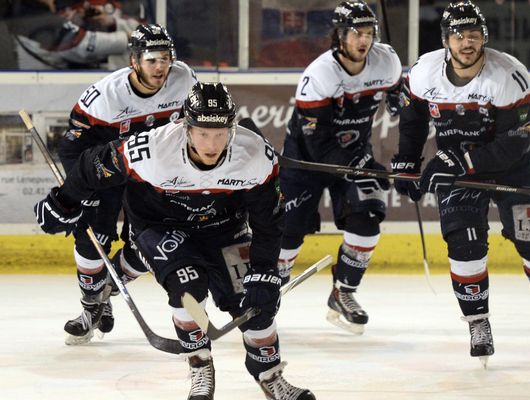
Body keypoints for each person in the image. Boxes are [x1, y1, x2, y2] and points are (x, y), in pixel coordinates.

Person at [34, 82, 316, 400]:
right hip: (161, 226)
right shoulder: (152, 149)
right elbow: (93, 165)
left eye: (220, 132)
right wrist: (63, 203)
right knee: (189, 289)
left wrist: (264, 271)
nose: (212, 144)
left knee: (256, 306)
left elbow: (269, 222)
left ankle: (270, 376)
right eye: (203, 133)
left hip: (224, 229)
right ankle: (200, 365)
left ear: (232, 127)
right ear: (185, 125)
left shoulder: (255, 154)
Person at [391, 0, 530, 365]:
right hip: (458, 172)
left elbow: (518, 141)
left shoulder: (509, 76)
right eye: (458, 35)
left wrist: (460, 160)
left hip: (512, 168)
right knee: (464, 246)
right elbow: (414, 118)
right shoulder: (423, 73)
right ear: (445, 40)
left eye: (474, 34)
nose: (467, 42)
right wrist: (406, 160)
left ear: (484, 37)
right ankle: (478, 321)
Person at [56, 23, 196, 346]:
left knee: (149, 245)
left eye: (165, 58)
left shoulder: (184, 79)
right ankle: (91, 309)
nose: (161, 67)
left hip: (153, 176)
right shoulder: (105, 95)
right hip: (107, 172)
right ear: (134, 61)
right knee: (93, 237)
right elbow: (71, 146)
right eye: (152, 60)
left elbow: (196, 125)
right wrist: (81, 190)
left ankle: (108, 287)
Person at [277, 0, 403, 335]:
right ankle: (266, 292)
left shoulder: (386, 60)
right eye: (355, 33)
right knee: (288, 232)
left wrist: (398, 100)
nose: (364, 40)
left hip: (354, 154)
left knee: (367, 218)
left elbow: (398, 90)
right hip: (304, 161)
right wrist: (363, 165)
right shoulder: (320, 74)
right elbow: (318, 145)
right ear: (339, 36)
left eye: (368, 32)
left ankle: (343, 292)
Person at [5, 0, 132, 69]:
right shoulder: (36, 16)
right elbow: (83, 45)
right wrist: (127, 37)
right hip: (37, 93)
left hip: (35, 90)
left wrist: (81, 19)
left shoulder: (23, 11)